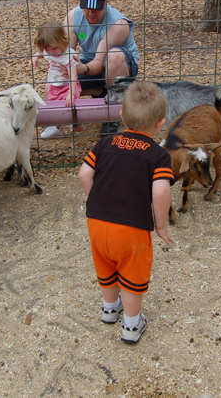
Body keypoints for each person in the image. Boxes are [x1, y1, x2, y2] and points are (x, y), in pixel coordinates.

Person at [78, 81, 175, 344]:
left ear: (121, 116)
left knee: (106, 267)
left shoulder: (104, 143)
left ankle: (109, 309)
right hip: (131, 228)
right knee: (132, 276)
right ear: (160, 124)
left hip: (97, 223)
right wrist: (161, 225)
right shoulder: (158, 155)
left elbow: (84, 173)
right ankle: (131, 325)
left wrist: (98, 199)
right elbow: (160, 193)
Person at [64, 0, 140, 135]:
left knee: (114, 56)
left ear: (106, 2)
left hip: (119, 65)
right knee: (62, 75)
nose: (91, 13)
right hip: (88, 63)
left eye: (96, 9)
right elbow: (67, 54)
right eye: (87, 8)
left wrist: (80, 69)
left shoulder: (118, 24)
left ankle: (113, 115)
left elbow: (99, 62)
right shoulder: (72, 17)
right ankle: (101, 92)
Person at [31, 21, 83, 139]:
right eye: (47, 49)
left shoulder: (68, 55)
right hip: (54, 84)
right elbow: (42, 52)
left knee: (71, 100)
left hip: (68, 85)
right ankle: (56, 127)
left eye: (54, 48)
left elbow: (73, 76)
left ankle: (74, 121)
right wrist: (35, 57)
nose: (50, 52)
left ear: (63, 41)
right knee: (53, 103)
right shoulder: (48, 51)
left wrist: (70, 92)